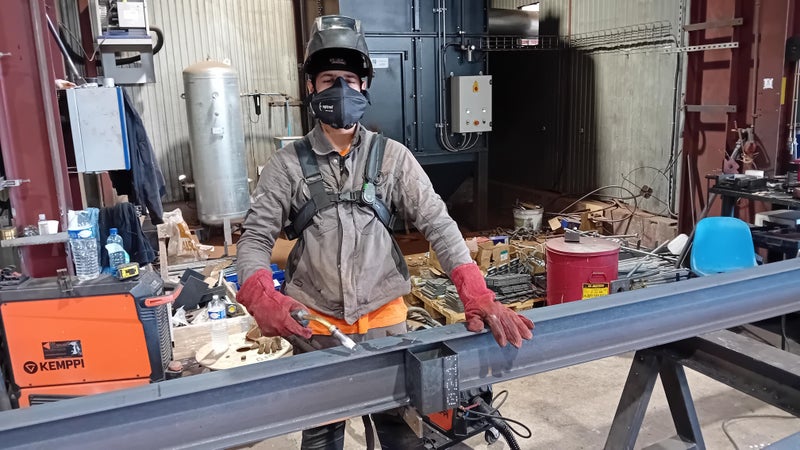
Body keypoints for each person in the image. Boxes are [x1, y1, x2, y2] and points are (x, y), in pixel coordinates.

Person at [236, 15, 534, 450]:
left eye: (349, 80)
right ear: (311, 87)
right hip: (316, 328)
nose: (340, 89)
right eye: (329, 79)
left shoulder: (393, 158)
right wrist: (260, 293)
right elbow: (255, 239)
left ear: (364, 86)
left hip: (386, 323)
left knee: (402, 432)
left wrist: (475, 291)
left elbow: (438, 224)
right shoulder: (286, 165)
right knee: (322, 436)